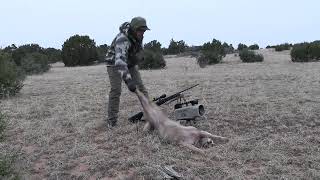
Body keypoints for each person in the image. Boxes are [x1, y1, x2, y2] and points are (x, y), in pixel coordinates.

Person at [105, 16, 150, 127]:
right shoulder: (122, 39)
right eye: (140, 30)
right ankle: (112, 121)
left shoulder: (138, 36)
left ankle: (149, 115)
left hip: (130, 63)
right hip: (114, 63)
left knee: (141, 88)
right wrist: (129, 80)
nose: (142, 33)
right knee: (116, 90)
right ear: (134, 29)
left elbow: (138, 50)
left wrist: (139, 57)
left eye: (144, 31)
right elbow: (120, 61)